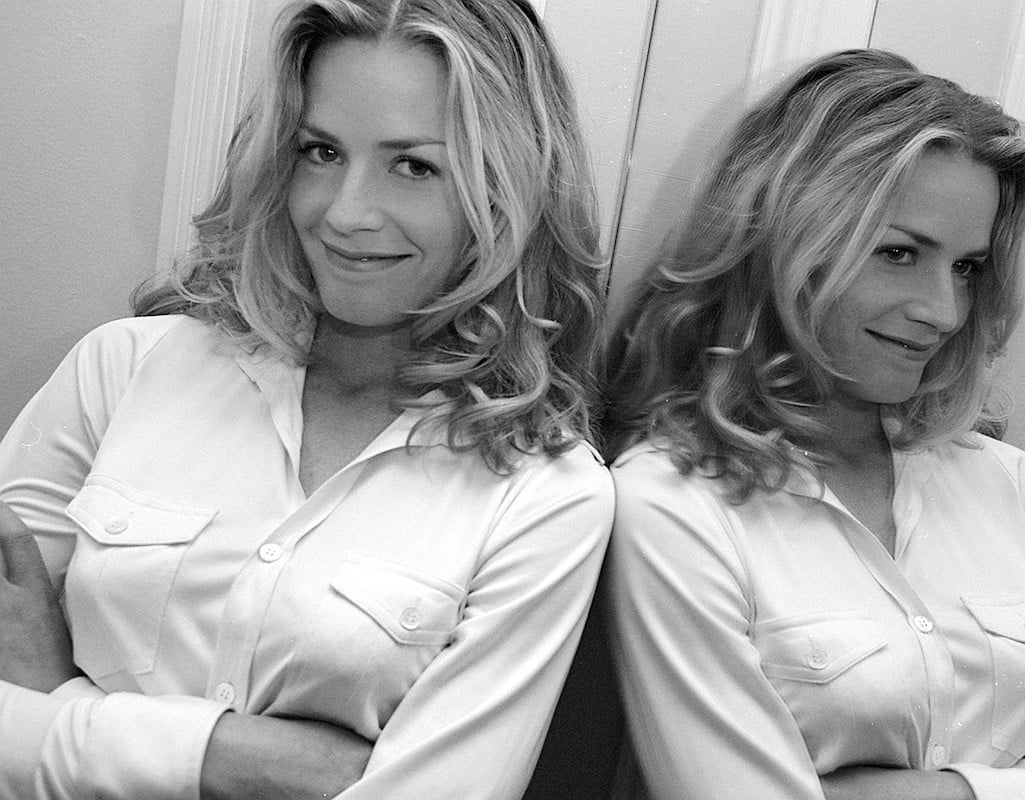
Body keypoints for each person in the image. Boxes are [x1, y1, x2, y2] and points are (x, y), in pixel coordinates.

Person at [0, 1, 614, 798]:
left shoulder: (547, 496)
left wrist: (55, 710)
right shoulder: (122, 371)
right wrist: (238, 761)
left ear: (507, 191)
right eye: (320, 152)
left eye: (414, 166)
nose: (345, 213)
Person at [603, 49, 1025, 800]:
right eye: (899, 253)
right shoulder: (671, 502)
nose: (943, 310)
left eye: (967, 267)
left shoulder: (1010, 486)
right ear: (784, 243)